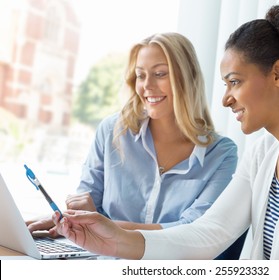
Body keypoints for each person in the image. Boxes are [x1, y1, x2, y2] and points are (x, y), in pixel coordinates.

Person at [52, 4, 279, 259]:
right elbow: (209, 233)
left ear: (278, 74)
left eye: (235, 82)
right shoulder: (262, 153)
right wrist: (111, 237)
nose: (226, 98)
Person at [27, 32, 244, 258]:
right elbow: (85, 206)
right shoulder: (112, 131)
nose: (147, 86)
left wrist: (102, 225)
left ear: (187, 78)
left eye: (160, 74)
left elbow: (192, 231)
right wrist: (69, 220)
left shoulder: (221, 154)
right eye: (141, 76)